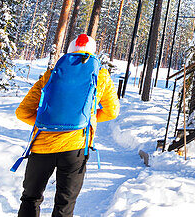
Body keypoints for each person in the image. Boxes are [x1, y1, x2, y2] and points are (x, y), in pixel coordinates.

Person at [15, 34, 119, 217]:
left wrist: (45, 124)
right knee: (65, 203)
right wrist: (85, 122)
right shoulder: (101, 75)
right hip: (75, 148)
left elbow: (22, 112)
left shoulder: (51, 74)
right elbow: (112, 111)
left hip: (41, 146)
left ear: (69, 52)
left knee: (30, 198)